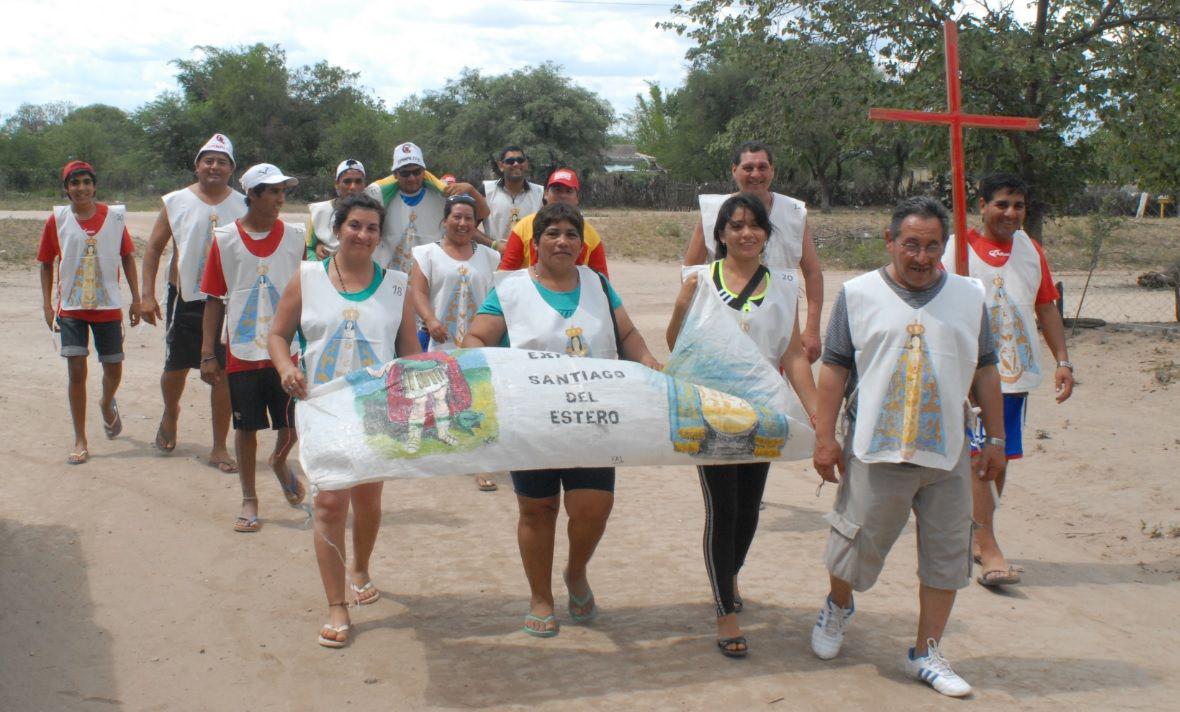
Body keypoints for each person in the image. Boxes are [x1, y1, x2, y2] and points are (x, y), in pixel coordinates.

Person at [808, 196, 1007, 698]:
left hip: (948, 454)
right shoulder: (857, 294)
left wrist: (997, 440)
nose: (921, 257)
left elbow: (986, 369)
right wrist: (825, 437)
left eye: (932, 246)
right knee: (853, 548)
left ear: (945, 246)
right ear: (890, 241)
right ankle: (838, 607)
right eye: (911, 245)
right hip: (877, 448)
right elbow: (833, 367)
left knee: (947, 555)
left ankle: (927, 651)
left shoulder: (968, 295)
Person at [463, 202, 660, 637]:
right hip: (532, 423)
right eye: (552, 233)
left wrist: (646, 359)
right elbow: (476, 337)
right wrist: (487, 375)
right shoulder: (512, 290)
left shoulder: (598, 285)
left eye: (571, 234)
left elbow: (626, 333)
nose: (562, 241)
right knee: (538, 510)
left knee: (594, 507)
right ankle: (540, 596)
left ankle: (575, 571)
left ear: (581, 244)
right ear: (535, 245)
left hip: (595, 421)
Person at [665, 193, 818, 658]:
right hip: (711, 411)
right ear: (721, 234)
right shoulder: (700, 281)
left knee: (750, 508)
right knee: (723, 507)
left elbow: (792, 353)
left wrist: (816, 414)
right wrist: (680, 306)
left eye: (755, 226)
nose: (745, 233)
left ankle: (729, 574)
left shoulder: (784, 285)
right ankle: (723, 608)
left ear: (767, 235)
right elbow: (677, 344)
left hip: (763, 413)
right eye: (735, 225)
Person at [268, 193, 420, 649]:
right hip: (322, 407)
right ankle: (337, 604)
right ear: (337, 229)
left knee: (368, 500)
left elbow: (410, 352)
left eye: (373, 228)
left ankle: (361, 567)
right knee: (332, 504)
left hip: (376, 409)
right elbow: (277, 334)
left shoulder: (398, 285)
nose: (364, 234)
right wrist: (286, 368)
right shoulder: (308, 277)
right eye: (355, 225)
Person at [942, 173, 1074, 587]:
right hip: (968, 371)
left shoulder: (1031, 250)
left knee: (998, 457)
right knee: (980, 453)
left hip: (1013, 372)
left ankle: (977, 533)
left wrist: (1063, 360)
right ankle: (989, 546)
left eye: (1018, 205)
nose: (1010, 213)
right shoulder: (958, 249)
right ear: (981, 205)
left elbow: (1046, 306)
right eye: (1002, 204)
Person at [199, 163, 307, 533]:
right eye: (273, 192)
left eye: (282, 191)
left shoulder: (295, 237)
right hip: (242, 350)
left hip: (287, 351)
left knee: (292, 424)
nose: (280, 199)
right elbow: (214, 299)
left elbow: (309, 292)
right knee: (245, 428)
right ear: (254, 195)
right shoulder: (225, 239)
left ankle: (279, 462)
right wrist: (208, 353)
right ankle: (249, 497)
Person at [137, 133, 244, 470]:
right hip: (185, 296)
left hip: (227, 299)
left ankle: (219, 447)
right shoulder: (176, 201)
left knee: (223, 372)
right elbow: (154, 247)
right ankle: (171, 413)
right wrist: (146, 294)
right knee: (176, 366)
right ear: (197, 165)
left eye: (221, 161)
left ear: (231, 169)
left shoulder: (243, 204)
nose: (214, 166)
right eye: (208, 160)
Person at [37, 160, 141, 465]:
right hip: (71, 307)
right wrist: (46, 306)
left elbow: (127, 258)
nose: (81, 188)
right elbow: (45, 263)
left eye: (86, 182)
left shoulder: (115, 218)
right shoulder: (56, 220)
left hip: (107, 306)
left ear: (94, 186)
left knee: (113, 368)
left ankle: (107, 402)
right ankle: (80, 438)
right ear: (66, 189)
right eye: (74, 183)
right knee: (76, 370)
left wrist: (136, 299)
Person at [683, 141, 824, 362]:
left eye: (762, 167)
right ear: (734, 170)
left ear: (772, 170)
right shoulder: (713, 211)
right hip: (721, 324)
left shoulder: (794, 213)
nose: (755, 174)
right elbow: (690, 271)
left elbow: (813, 273)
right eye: (748, 168)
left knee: (773, 386)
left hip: (777, 324)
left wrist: (812, 330)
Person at [409, 193, 502, 491]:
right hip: (441, 338)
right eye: (457, 217)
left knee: (478, 394)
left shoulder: (491, 257)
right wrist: (430, 320)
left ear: (476, 224)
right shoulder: (426, 254)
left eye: (469, 219)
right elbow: (419, 293)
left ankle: (481, 463)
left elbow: (499, 299)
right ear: (444, 220)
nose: (462, 223)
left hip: (480, 340)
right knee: (440, 396)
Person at [365, 142, 488, 273]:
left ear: (424, 171)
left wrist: (471, 190)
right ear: (395, 174)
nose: (412, 178)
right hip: (392, 277)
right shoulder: (381, 199)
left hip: (432, 275)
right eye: (405, 173)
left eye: (417, 171)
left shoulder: (442, 194)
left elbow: (483, 213)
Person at [497, 168, 608, 277]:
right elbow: (505, 274)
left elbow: (602, 283)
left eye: (569, 191)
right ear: (545, 194)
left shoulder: (592, 237)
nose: (562, 195)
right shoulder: (523, 228)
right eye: (557, 190)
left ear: (577, 198)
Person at [482, 146, 544, 251]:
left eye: (520, 160)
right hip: (496, 260)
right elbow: (471, 229)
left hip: (528, 261)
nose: (516, 164)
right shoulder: (486, 191)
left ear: (526, 164)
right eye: (510, 161)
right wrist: (494, 245)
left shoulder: (540, 193)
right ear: (501, 166)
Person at [306, 158, 366, 259]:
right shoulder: (319, 211)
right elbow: (308, 248)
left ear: (364, 184)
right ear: (337, 184)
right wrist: (318, 265)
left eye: (358, 181)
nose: (353, 187)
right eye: (347, 182)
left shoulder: (372, 212)